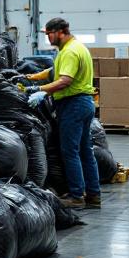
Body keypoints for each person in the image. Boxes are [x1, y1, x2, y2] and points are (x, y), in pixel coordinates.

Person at [27, 18, 101, 209]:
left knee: (70, 151)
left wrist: (41, 90)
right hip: (84, 103)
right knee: (85, 151)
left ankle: (77, 197)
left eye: (49, 34)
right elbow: (57, 70)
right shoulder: (77, 47)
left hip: (72, 104)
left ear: (60, 32)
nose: (48, 37)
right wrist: (36, 76)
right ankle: (93, 195)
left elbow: (65, 80)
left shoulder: (69, 51)